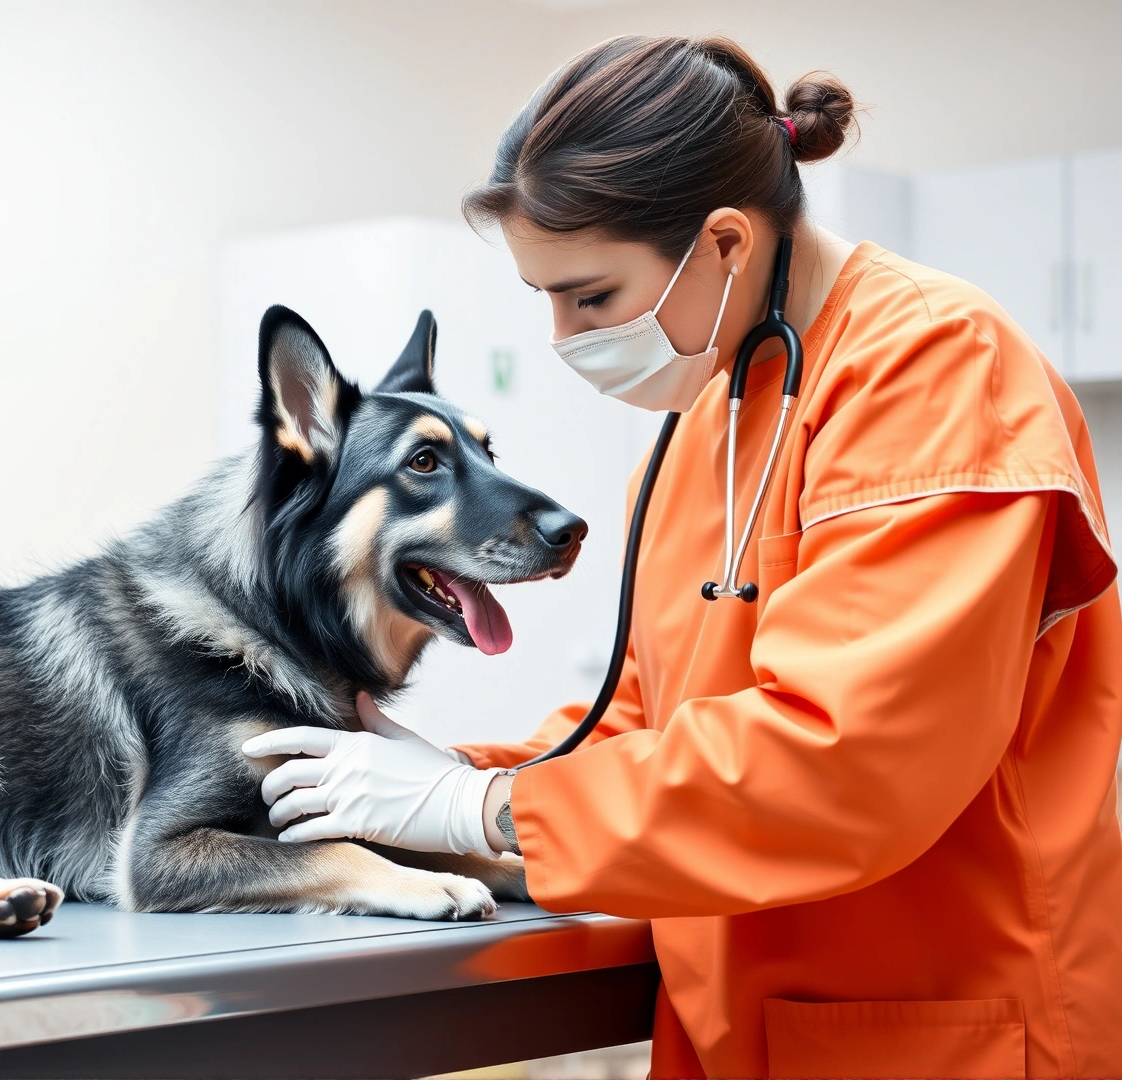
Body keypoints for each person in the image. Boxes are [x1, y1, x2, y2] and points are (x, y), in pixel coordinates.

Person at [242, 35, 1122, 1080]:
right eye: (547, 300)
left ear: (724, 244)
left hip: (940, 1029)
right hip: (731, 1016)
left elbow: (845, 762)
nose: (567, 339)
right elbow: (645, 718)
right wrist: (446, 779)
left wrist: (483, 812)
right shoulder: (706, 421)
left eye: (594, 297)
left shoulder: (937, 372)